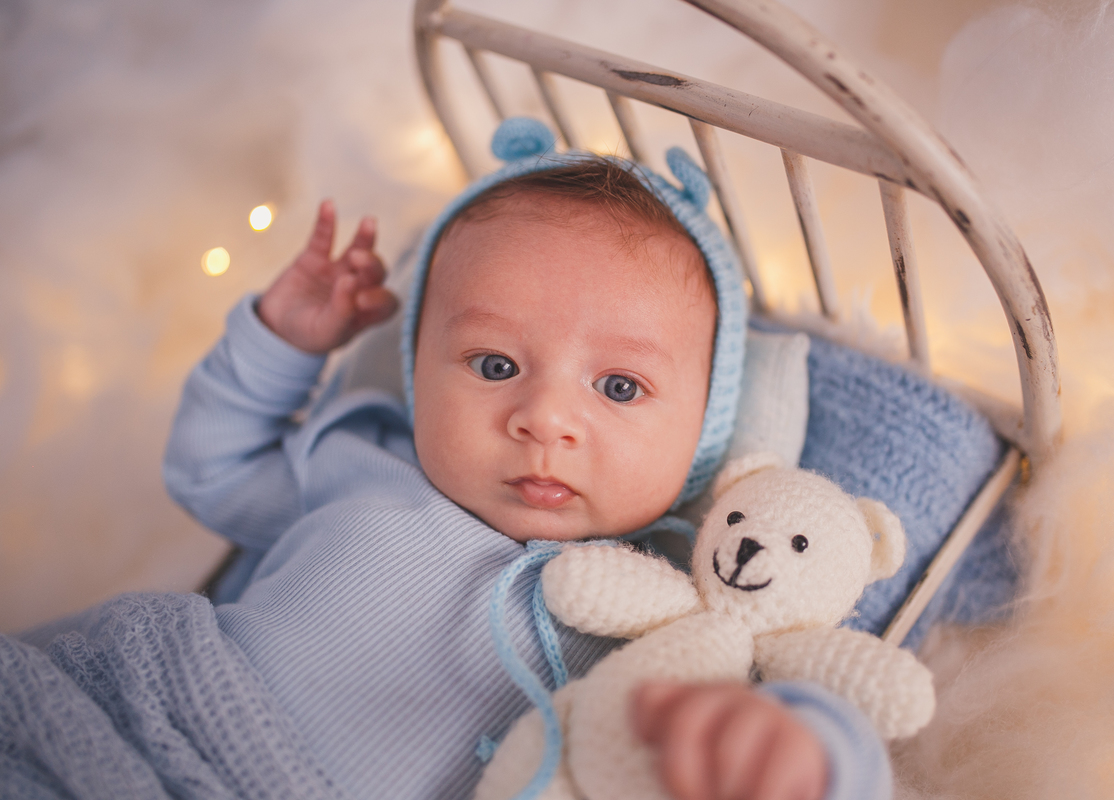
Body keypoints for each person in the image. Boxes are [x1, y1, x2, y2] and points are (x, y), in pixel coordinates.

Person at [164, 119, 891, 800]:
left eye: (618, 386)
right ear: (417, 370)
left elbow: (783, 683)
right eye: (494, 365)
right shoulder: (367, 460)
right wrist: (278, 347)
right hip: (162, 727)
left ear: (704, 429)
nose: (544, 419)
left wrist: (804, 754)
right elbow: (213, 474)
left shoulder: (668, 608)